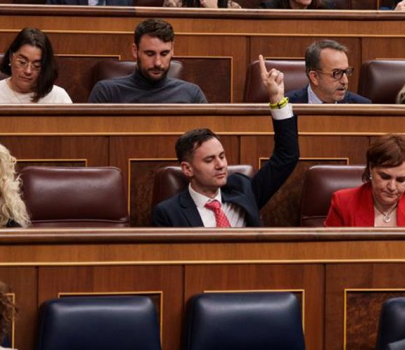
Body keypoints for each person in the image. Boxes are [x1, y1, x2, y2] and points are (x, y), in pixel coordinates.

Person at [151, 56, 298, 228]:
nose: (221, 165)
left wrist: (277, 99)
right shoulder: (168, 213)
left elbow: (287, 156)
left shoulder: (243, 191)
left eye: (222, 156)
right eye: (209, 160)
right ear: (187, 169)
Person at [326, 134, 405, 226]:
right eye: (385, 177)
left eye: (401, 180)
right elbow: (329, 248)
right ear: (371, 168)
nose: (392, 187)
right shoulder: (343, 203)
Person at [88, 19, 207, 103]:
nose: (157, 63)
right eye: (150, 54)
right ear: (135, 51)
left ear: (172, 51)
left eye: (164, 54)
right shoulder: (107, 92)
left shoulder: (192, 94)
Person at [0, 28, 72, 104]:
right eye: (22, 62)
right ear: (11, 57)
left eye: (36, 65)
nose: (28, 71)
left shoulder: (59, 98)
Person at [288, 39, 371, 105]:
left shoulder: (361, 106)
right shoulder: (288, 106)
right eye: (337, 73)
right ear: (314, 77)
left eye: (346, 72)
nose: (345, 81)